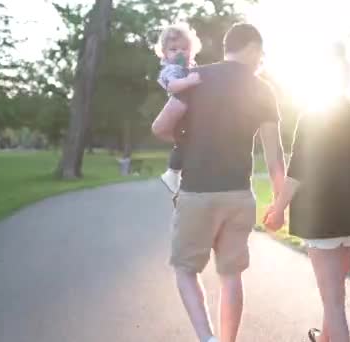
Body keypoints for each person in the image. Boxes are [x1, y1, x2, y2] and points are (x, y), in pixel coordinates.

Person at [152, 23, 285, 342]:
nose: (261, 61)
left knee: (185, 270)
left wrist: (188, 139)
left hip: (197, 193)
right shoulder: (263, 89)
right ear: (251, 48)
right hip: (239, 195)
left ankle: (207, 339)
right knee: (231, 275)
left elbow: (160, 126)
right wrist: (280, 205)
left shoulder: (197, 79)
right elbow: (274, 155)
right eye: (261, 54)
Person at [264, 46, 350, 342]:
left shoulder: (311, 118)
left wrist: (279, 209)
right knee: (334, 290)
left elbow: (296, 172)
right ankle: (324, 338)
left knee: (333, 299)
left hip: (323, 220)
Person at [154, 23, 203, 193]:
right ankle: (172, 172)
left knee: (189, 142)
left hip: (190, 110)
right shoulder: (171, 69)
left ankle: (182, 173)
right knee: (182, 142)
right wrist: (189, 82)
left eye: (184, 48)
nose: (180, 52)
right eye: (173, 49)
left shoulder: (189, 67)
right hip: (179, 112)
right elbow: (172, 86)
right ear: (165, 53)